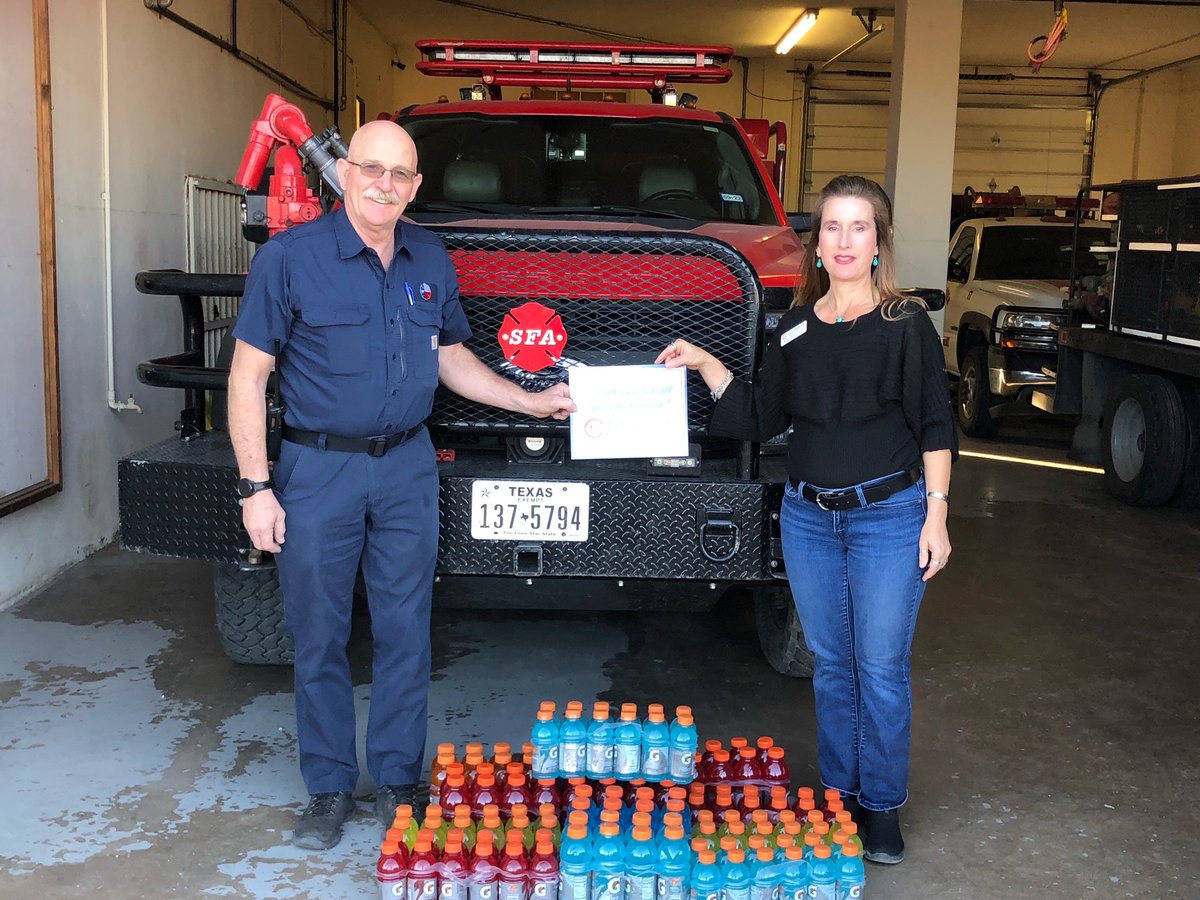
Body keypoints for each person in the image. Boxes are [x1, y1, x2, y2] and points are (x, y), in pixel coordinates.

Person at [228, 120, 574, 850]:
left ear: (415, 187)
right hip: (318, 469)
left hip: (408, 466)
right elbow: (248, 374)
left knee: (404, 630)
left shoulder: (429, 255)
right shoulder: (290, 259)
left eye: (401, 174)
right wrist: (256, 486)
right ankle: (327, 787)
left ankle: (396, 777)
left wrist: (530, 400)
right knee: (319, 633)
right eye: (372, 169)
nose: (385, 184)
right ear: (344, 173)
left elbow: (451, 357)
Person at [657, 174, 956, 865]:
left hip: (888, 516)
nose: (845, 240)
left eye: (860, 227)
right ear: (815, 243)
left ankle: (880, 807)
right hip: (810, 520)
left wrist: (935, 516)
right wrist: (705, 362)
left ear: (878, 242)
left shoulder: (905, 323)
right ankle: (839, 796)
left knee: (878, 667)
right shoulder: (794, 326)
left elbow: (936, 426)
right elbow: (763, 417)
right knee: (831, 667)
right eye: (832, 227)